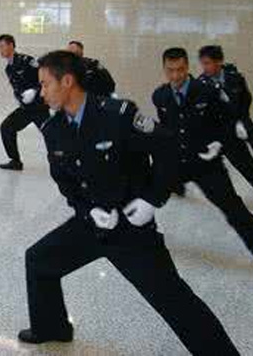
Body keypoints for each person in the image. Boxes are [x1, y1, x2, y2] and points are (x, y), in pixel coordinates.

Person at [19, 50, 240, 355]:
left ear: (67, 81)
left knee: (175, 301)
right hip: (91, 225)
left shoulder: (117, 115)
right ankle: (52, 327)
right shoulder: (54, 128)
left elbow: (168, 147)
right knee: (38, 260)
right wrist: (88, 210)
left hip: (131, 232)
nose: (41, 92)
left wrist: (151, 199)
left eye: (45, 84)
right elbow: (65, 180)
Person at [153, 47, 253, 256]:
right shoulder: (160, 96)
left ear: (187, 67)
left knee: (234, 210)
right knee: (143, 200)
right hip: (177, 163)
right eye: (170, 70)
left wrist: (218, 143)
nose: (175, 76)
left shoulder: (207, 91)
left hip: (206, 163)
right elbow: (168, 129)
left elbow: (228, 121)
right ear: (164, 69)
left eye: (180, 69)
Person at [198, 45, 253, 190]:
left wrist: (242, 120)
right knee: (245, 165)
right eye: (203, 63)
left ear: (219, 61)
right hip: (226, 133)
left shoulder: (234, 77)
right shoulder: (201, 85)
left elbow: (246, 99)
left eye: (208, 63)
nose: (205, 67)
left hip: (243, 123)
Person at [0, 34, 50, 171]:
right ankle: (15, 161)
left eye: (2, 46)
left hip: (39, 107)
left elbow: (45, 78)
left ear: (11, 45)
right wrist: (20, 98)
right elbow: (17, 88)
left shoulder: (27, 61)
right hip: (26, 109)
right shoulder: (8, 68)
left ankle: (64, 161)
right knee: (6, 127)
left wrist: (34, 91)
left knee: (51, 134)